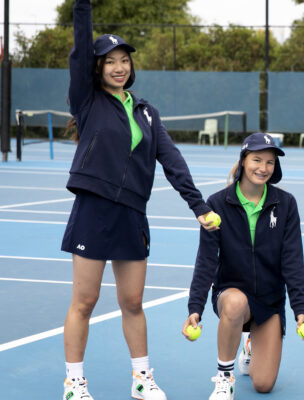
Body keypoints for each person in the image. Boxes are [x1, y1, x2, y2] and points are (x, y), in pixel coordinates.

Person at [61, 0, 217, 399]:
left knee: (132, 301)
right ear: (97, 68)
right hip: (94, 211)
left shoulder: (147, 112)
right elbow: (80, 47)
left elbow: (172, 160)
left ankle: (142, 378)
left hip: (132, 214)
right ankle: (74, 383)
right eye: (109, 61)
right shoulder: (88, 100)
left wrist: (197, 205)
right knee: (86, 300)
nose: (118, 67)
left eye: (124, 60)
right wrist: (83, 7)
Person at [183, 133, 304, 400]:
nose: (263, 168)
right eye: (256, 159)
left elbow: (293, 260)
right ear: (243, 161)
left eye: (269, 162)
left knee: (263, 385)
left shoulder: (286, 203)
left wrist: (301, 311)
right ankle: (224, 378)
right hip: (231, 295)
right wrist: (195, 309)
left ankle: (250, 346)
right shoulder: (217, 203)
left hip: (269, 302)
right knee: (235, 303)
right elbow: (206, 260)